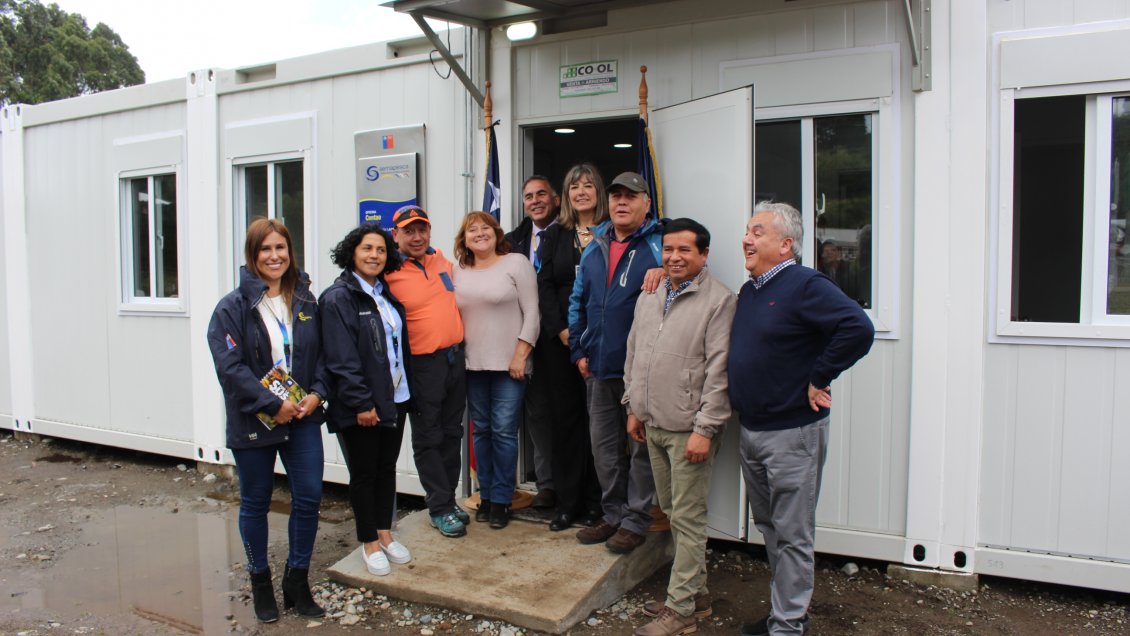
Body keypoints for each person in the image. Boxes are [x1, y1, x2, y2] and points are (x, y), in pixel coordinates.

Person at [730, 202, 875, 636]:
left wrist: (819, 376)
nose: (747, 239)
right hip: (752, 429)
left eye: (757, 232)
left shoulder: (805, 284)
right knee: (771, 528)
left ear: (785, 244)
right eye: (747, 231)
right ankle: (786, 614)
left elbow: (858, 328)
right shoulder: (751, 289)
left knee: (793, 534)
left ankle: (788, 627)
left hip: (792, 434)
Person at [206, 218, 327, 622]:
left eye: (281, 248)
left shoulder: (306, 300)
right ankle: (260, 580)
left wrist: (317, 394)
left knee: (308, 496)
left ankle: (297, 579)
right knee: (256, 502)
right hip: (256, 419)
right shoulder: (231, 308)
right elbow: (230, 368)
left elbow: (326, 356)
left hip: (303, 416)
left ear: (290, 253)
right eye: (265, 250)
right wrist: (271, 404)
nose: (274, 256)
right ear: (252, 256)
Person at [624, 218, 736, 636]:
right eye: (668, 249)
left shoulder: (720, 301)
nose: (674, 257)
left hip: (689, 429)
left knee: (687, 518)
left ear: (703, 255)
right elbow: (635, 351)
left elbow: (720, 372)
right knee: (672, 512)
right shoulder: (651, 292)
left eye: (684, 250)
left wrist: (705, 430)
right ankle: (698, 597)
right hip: (652, 422)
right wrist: (633, 406)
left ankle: (682, 610)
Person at [569, 171, 663, 554]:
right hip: (598, 366)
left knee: (639, 448)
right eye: (616, 196)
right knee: (604, 448)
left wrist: (666, 271)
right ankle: (612, 514)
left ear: (646, 204)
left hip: (638, 370)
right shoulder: (595, 245)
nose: (622, 202)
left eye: (631, 196)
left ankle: (636, 520)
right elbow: (578, 302)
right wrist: (578, 351)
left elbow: (689, 276)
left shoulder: (659, 245)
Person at [319, 224, 413, 576]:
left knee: (385, 469)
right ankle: (368, 542)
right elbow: (341, 359)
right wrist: (361, 403)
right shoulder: (339, 297)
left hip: (394, 399)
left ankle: (385, 534)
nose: (374, 255)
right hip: (361, 406)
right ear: (352, 253)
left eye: (381, 250)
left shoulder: (383, 294)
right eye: (367, 249)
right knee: (364, 473)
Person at [384, 205, 469, 538]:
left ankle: (447, 498)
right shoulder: (388, 271)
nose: (417, 237)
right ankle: (439, 507)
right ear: (396, 236)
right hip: (422, 366)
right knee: (429, 436)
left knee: (452, 432)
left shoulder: (441, 261)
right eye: (409, 231)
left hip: (453, 359)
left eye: (422, 229)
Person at [454, 211, 541, 529]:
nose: (479, 233)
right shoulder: (458, 270)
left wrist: (521, 354)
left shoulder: (516, 263)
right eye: (471, 230)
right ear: (464, 239)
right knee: (483, 432)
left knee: (504, 432)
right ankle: (486, 495)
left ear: (496, 233)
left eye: (485, 228)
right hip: (472, 365)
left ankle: (503, 499)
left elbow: (532, 312)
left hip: (510, 365)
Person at [536, 163, 607, 530]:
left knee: (599, 423)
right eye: (574, 186)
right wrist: (561, 330)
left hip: (601, 341)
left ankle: (597, 503)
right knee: (565, 422)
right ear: (566, 195)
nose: (581, 192)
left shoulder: (613, 234)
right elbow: (544, 286)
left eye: (588, 185)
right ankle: (567, 503)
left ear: (599, 191)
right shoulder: (555, 235)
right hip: (562, 341)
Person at [505, 176, 560, 509]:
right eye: (529, 196)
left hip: (557, 339)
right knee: (534, 416)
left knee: (566, 415)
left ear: (554, 198)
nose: (535, 200)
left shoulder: (569, 234)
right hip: (521, 340)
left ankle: (571, 484)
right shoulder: (512, 240)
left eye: (542, 193)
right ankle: (547, 484)